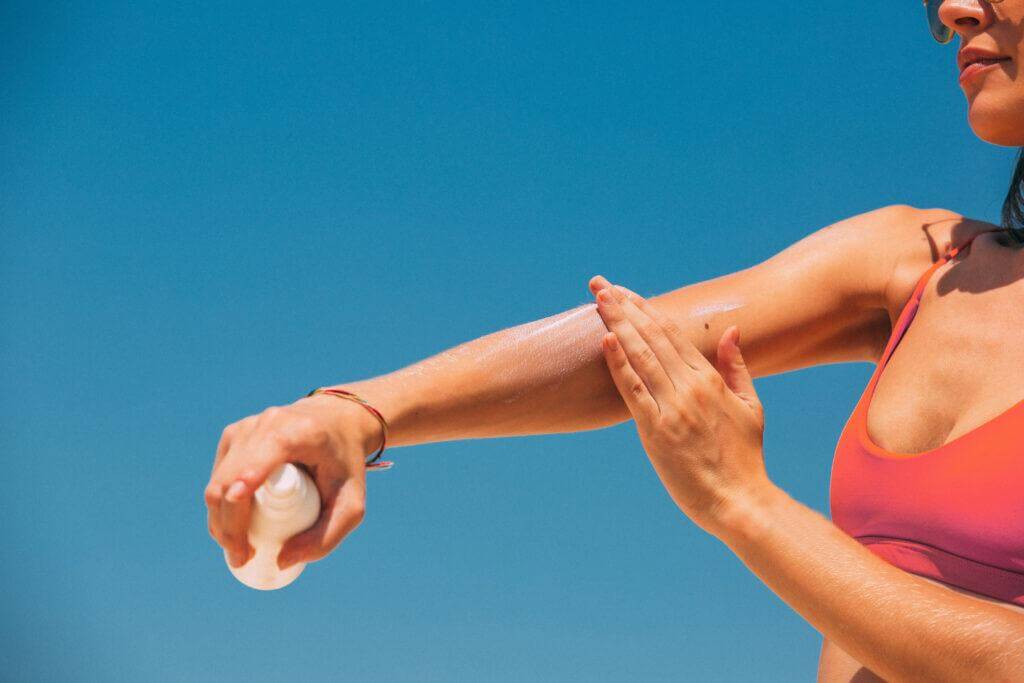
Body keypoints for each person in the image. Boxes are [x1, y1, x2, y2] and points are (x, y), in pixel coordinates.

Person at [205, 1, 1024, 679]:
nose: (951, 12)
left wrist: (746, 506)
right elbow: (631, 350)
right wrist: (358, 412)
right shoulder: (918, 262)